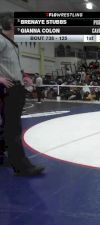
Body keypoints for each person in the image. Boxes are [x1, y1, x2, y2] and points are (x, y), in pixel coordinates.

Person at [0, 14, 44, 176]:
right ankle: (21, 166)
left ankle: (5, 157)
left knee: (8, 126)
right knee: (13, 128)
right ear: (11, 26)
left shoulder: (11, 44)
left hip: (16, 87)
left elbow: (13, 65)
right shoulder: (2, 41)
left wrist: (24, 77)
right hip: (9, 89)